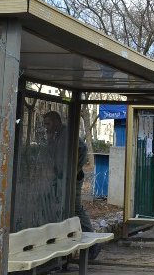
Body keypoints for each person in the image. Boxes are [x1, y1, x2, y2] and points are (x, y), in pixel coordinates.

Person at [42, 111, 100, 259]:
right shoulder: (55, 135)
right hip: (61, 177)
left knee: (75, 208)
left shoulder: (68, 133)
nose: (46, 127)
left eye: (48, 123)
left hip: (72, 178)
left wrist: (75, 168)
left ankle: (93, 244)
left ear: (56, 121)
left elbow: (83, 149)